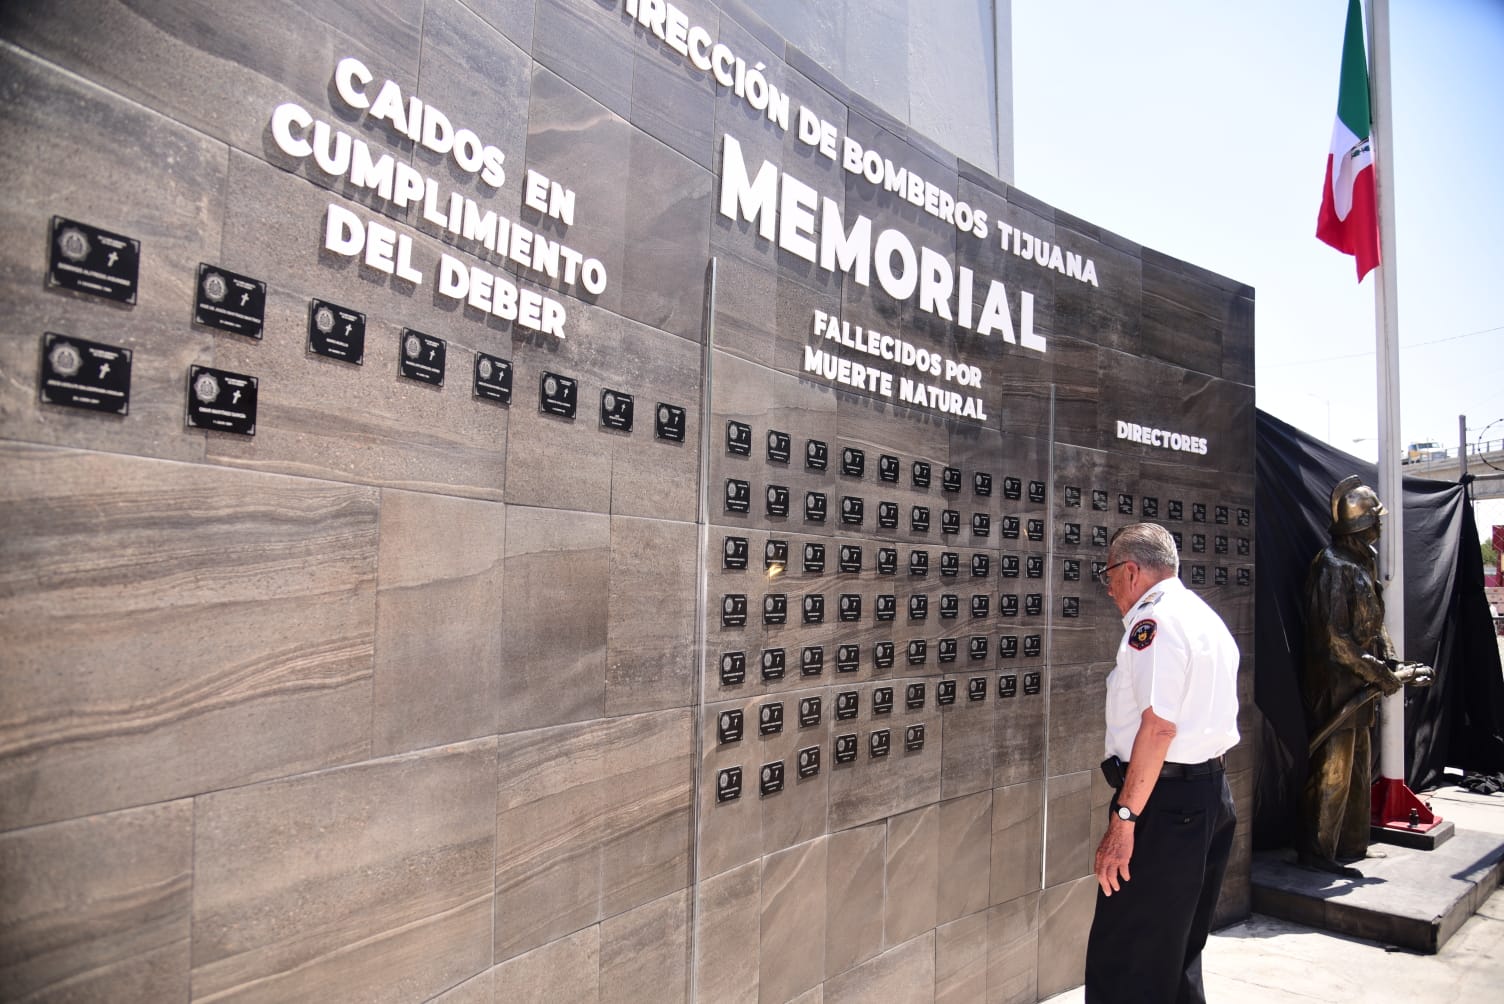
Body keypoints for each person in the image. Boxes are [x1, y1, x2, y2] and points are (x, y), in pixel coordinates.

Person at [1085, 523, 1240, 1004]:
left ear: (1131, 571)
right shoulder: (1203, 615)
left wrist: (1125, 820)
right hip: (1209, 794)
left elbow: (1158, 728)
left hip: (1164, 805)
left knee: (1127, 958)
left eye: (1108, 574)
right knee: (1176, 956)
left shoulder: (1154, 624)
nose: (1108, 588)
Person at [1299, 476, 1431, 875]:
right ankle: (1317, 851)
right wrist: (1379, 673)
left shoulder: (1362, 562)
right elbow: (1334, 639)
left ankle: (1353, 843)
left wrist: (1389, 662)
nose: (1379, 527)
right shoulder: (1332, 565)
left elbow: (1376, 625)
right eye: (1375, 521)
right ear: (1361, 526)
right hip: (1336, 684)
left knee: (1359, 763)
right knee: (1334, 767)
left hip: (1361, 681)